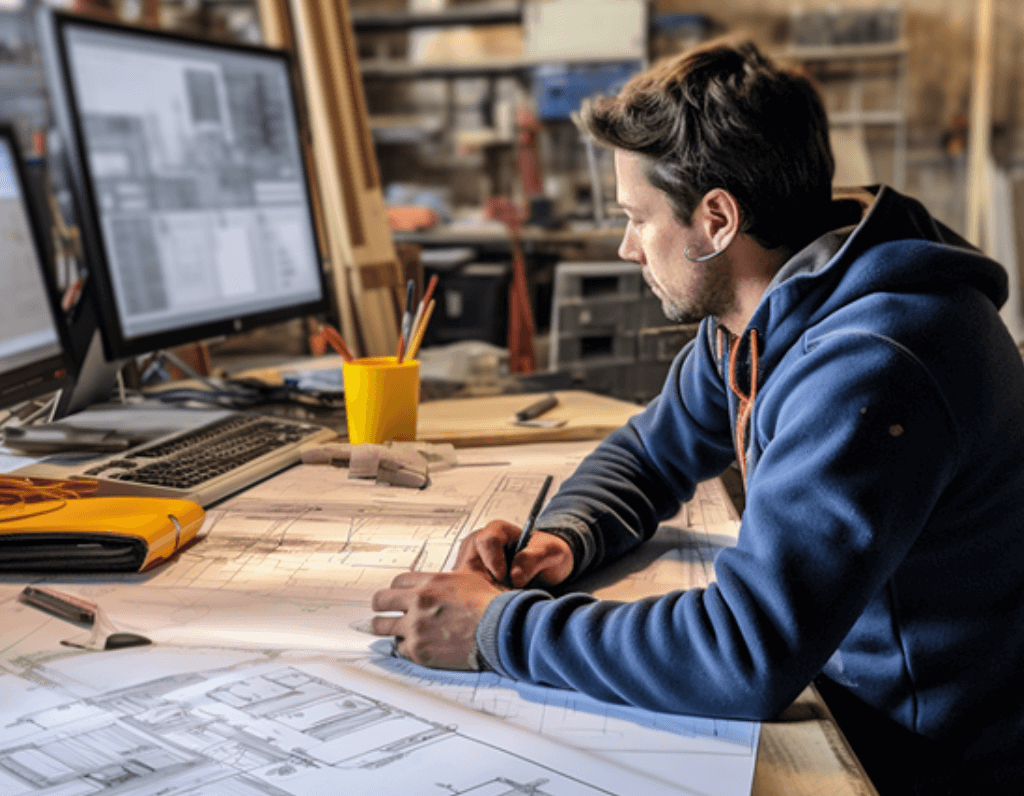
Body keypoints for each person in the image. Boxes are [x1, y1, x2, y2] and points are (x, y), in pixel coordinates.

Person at [372, 38, 1024, 794]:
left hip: (918, 760)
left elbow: (743, 655)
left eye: (638, 218)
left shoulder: (872, 363)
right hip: (844, 701)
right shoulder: (773, 307)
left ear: (716, 219)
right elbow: (649, 453)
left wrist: (494, 629)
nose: (626, 247)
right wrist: (558, 540)